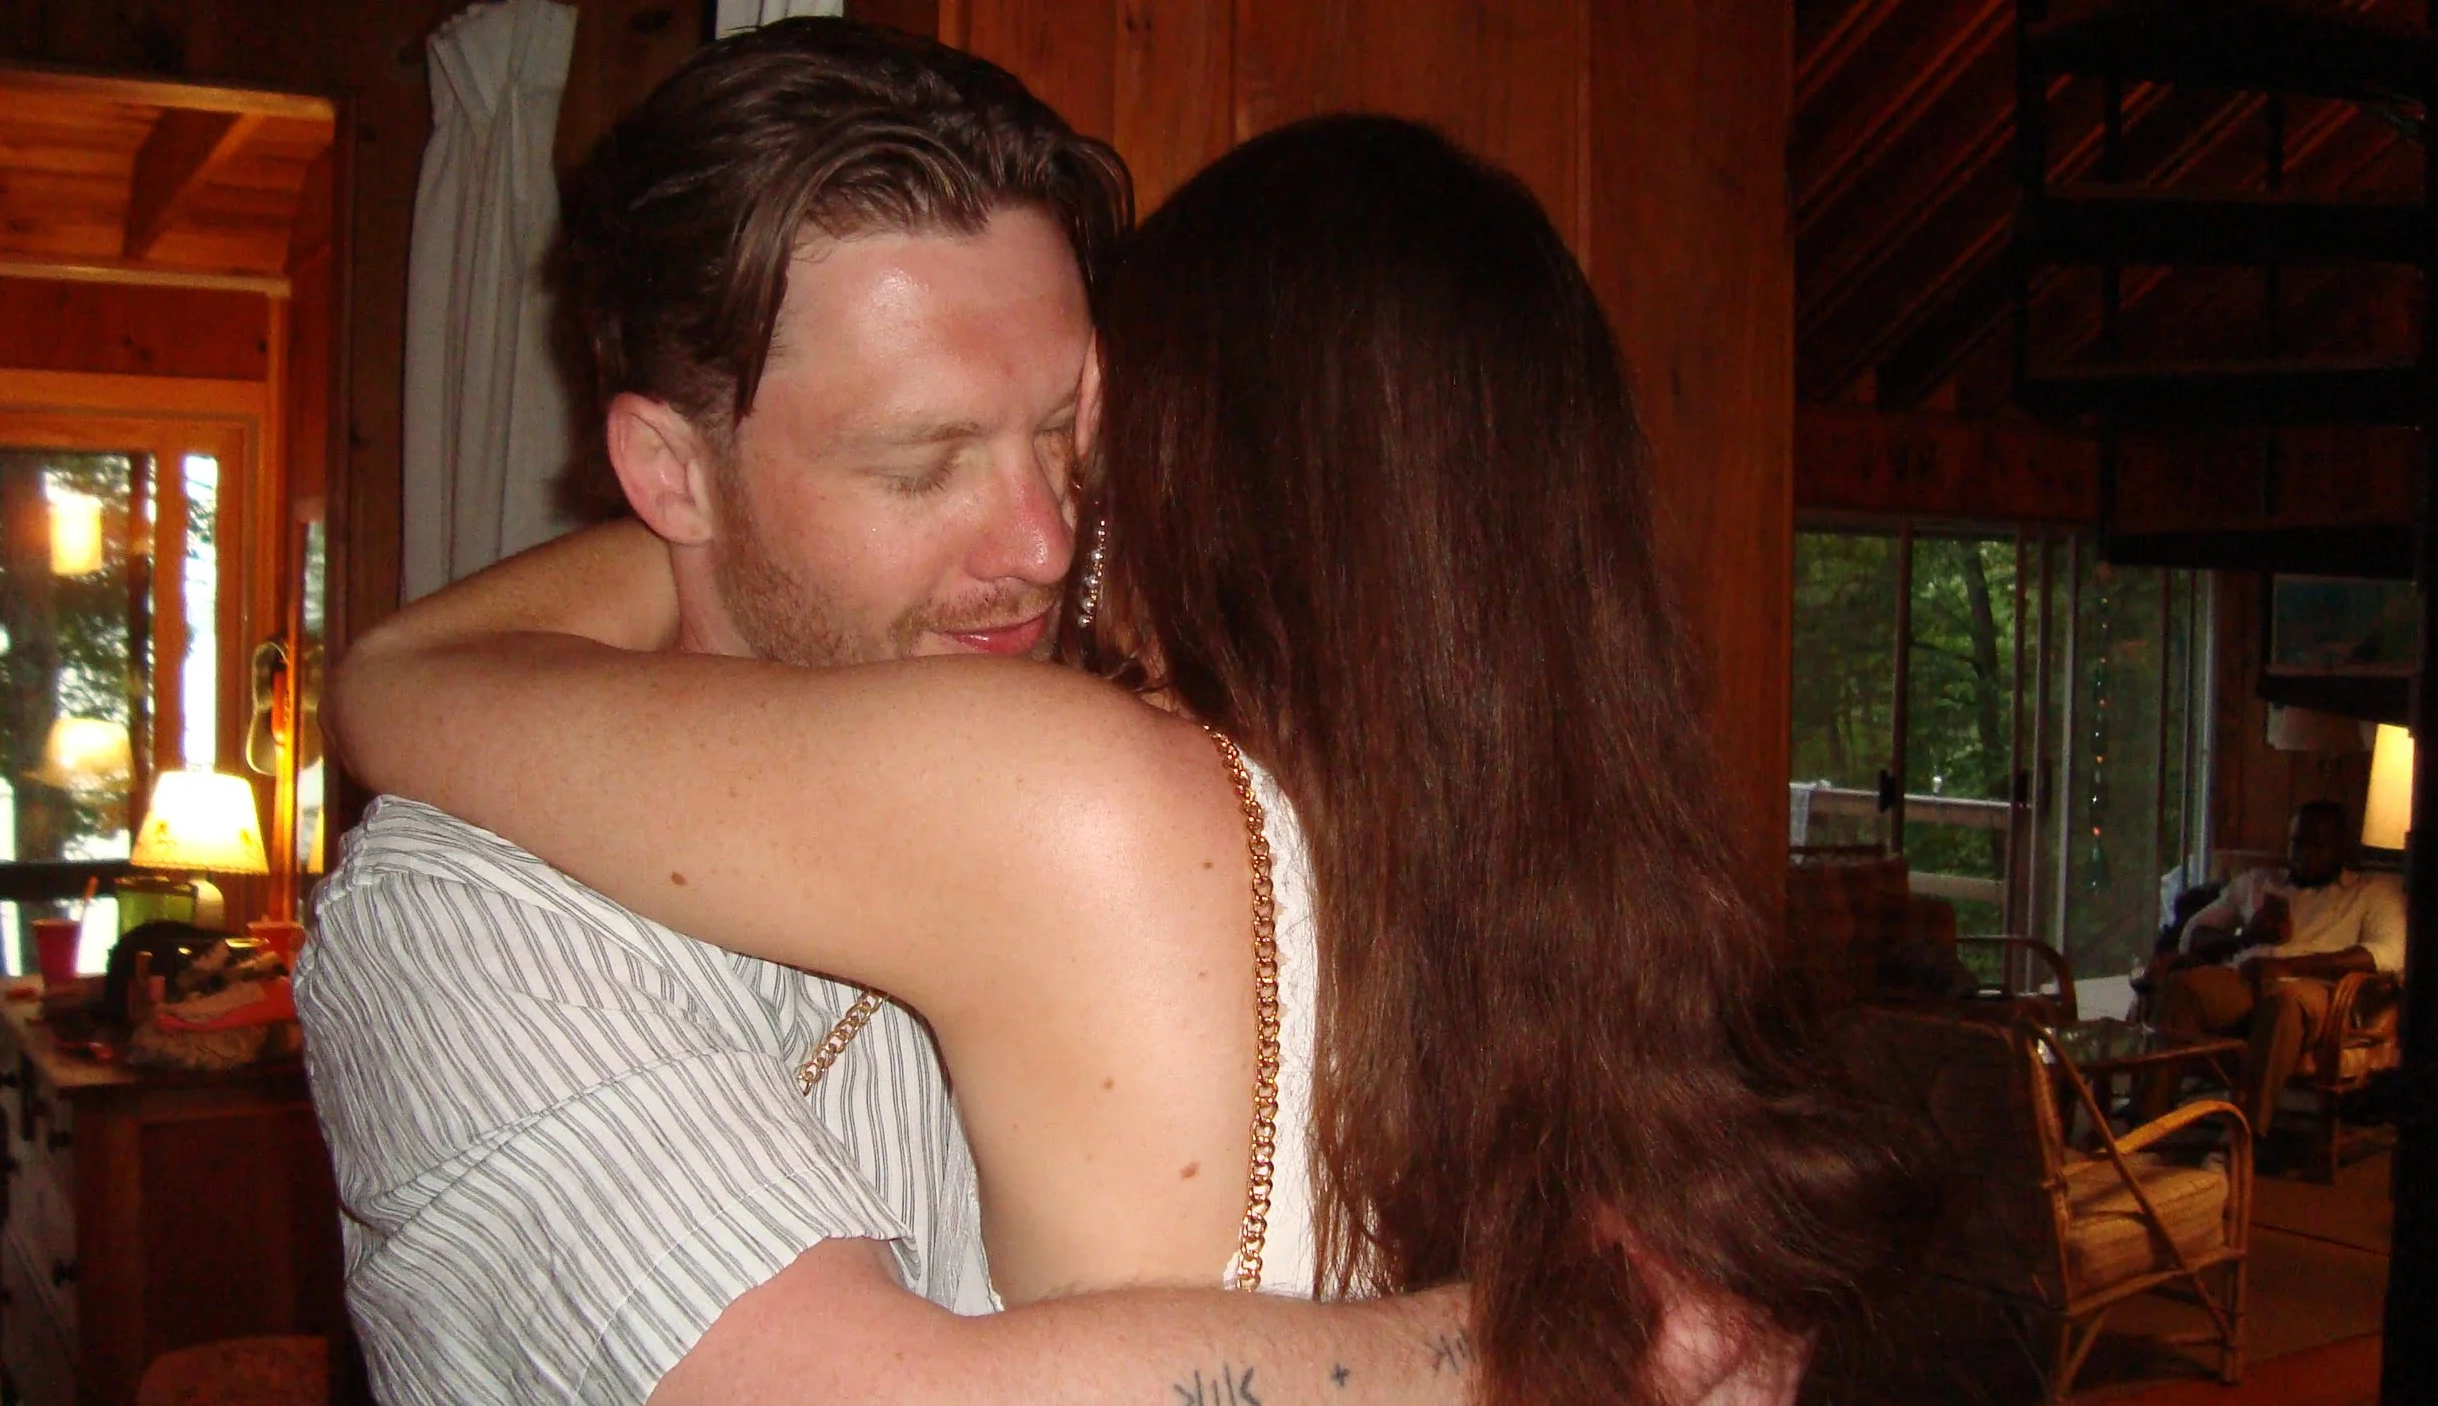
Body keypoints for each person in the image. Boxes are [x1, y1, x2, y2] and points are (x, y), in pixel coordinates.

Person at [299, 22, 1795, 1405]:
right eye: (919, 464)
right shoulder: (472, 916)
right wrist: (1562, 1332)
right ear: (670, 475)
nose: (1042, 540)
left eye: (1072, 441)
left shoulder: (1142, 739)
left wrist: (410, 667)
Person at [2156, 800, 2407, 1136]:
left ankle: (2243, 1135)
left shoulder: (2374, 891)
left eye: (2317, 845)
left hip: (2315, 988)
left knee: (2284, 1002)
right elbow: (2192, 935)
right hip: (2247, 979)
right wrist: (2248, 936)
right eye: (2297, 843)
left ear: (2342, 848)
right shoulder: (2260, 882)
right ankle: (2148, 1122)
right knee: (2183, 986)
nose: (2305, 854)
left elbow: (2388, 954)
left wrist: (2287, 965)